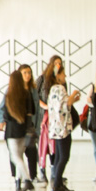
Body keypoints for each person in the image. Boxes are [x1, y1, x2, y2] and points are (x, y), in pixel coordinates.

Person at [0, 64, 42, 186]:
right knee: (17, 156)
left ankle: (30, 178)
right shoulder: (11, 91)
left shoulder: (32, 90)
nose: (28, 75)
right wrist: (1, 121)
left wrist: (37, 127)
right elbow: (2, 108)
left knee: (26, 154)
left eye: (29, 72)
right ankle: (20, 180)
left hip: (26, 128)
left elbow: (36, 110)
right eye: (25, 73)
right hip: (16, 129)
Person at [47, 65, 81, 191]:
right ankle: (57, 185)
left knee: (59, 157)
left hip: (55, 127)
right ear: (58, 75)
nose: (65, 76)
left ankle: (59, 183)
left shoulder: (52, 89)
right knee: (64, 156)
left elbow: (61, 105)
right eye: (64, 74)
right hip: (63, 128)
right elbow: (65, 106)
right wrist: (73, 94)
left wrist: (73, 99)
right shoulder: (60, 88)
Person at [37, 55, 64, 184]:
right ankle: (42, 171)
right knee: (43, 144)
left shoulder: (61, 81)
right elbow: (35, 96)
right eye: (56, 63)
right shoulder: (42, 79)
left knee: (54, 144)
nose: (58, 66)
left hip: (56, 117)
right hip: (44, 116)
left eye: (60, 64)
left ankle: (55, 172)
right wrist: (45, 106)